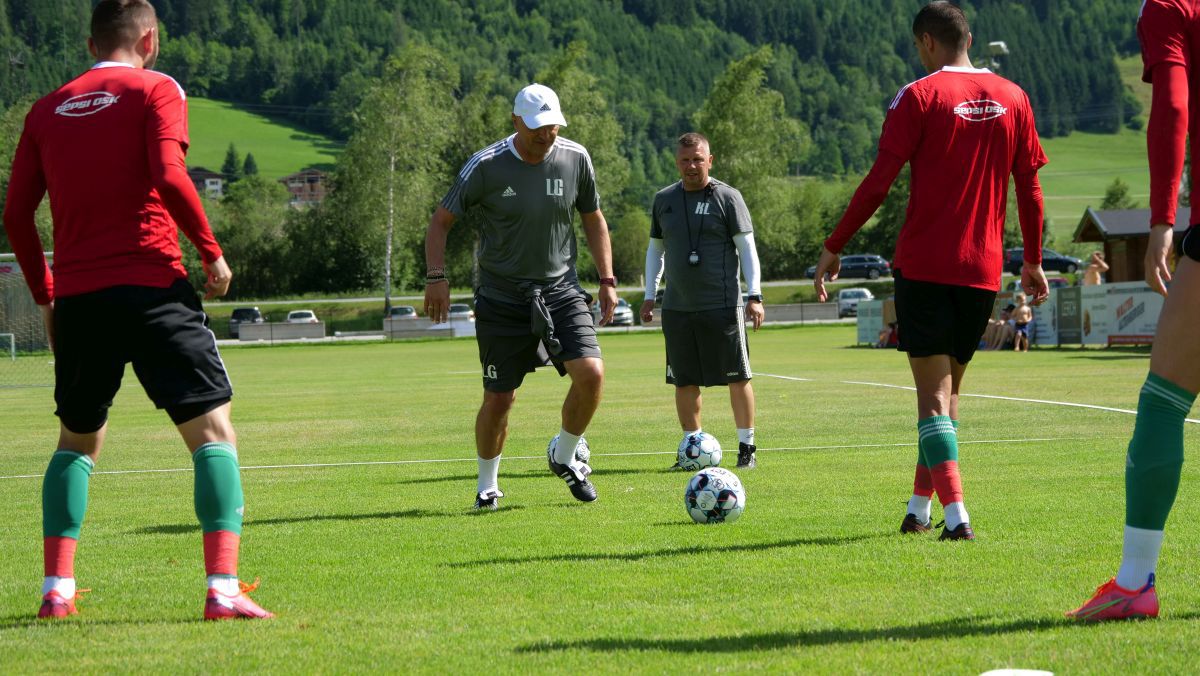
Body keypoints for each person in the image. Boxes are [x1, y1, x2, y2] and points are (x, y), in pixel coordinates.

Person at [2, 0, 271, 620]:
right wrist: (211, 252)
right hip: (152, 286)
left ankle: (56, 589)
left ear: (90, 42)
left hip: (79, 300)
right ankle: (222, 589)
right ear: (148, 39)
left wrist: (47, 296)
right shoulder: (157, 88)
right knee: (212, 432)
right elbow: (170, 174)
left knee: (76, 440)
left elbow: (16, 216)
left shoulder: (46, 109)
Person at [814, 1, 1049, 541]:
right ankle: (919, 508)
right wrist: (1032, 258)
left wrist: (834, 244)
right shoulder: (1015, 98)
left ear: (926, 43)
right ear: (967, 38)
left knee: (932, 400)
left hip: (924, 266)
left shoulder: (918, 96)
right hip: (983, 270)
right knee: (949, 398)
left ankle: (957, 516)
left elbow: (878, 183)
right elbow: (1030, 189)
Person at [1066, 0, 1200, 621]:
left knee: (1165, 396)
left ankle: (1134, 582)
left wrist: (1161, 223)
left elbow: (1173, 107)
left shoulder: (1168, 6)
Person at [424, 83, 617, 510]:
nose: (545, 136)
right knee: (500, 398)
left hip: (561, 290)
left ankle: (564, 456)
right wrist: (436, 277)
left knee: (592, 374)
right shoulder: (486, 165)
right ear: (516, 122)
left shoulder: (575, 157)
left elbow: (593, 216)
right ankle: (488, 485)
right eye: (536, 129)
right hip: (502, 298)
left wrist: (607, 279)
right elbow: (440, 222)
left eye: (551, 127)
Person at [640, 133, 765, 469]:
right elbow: (656, 250)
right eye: (685, 160)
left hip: (723, 305)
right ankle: (691, 450)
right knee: (684, 380)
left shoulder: (728, 198)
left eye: (698, 159)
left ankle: (746, 449)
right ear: (677, 162)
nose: (691, 166)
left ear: (710, 160)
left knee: (737, 377)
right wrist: (649, 296)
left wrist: (754, 295)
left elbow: (747, 249)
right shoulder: (664, 199)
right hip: (678, 309)